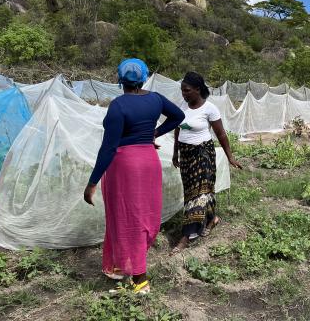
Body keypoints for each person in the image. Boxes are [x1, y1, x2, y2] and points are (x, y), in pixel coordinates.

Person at [83, 59, 184, 294]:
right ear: (144, 78)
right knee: (140, 216)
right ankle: (122, 267)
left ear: (119, 80)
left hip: (126, 166)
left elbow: (108, 148)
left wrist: (92, 182)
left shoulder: (118, 106)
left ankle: (140, 281)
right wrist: (154, 133)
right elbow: (178, 116)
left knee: (128, 219)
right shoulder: (155, 99)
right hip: (148, 161)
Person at [171, 72, 242, 254]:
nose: (184, 94)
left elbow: (221, 134)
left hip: (203, 154)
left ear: (197, 89)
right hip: (186, 155)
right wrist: (175, 153)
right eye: (182, 91)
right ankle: (211, 219)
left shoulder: (209, 108)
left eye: (187, 90)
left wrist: (230, 157)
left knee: (199, 194)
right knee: (192, 193)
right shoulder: (182, 107)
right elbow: (178, 132)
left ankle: (186, 236)